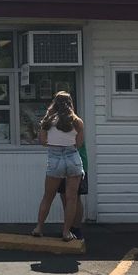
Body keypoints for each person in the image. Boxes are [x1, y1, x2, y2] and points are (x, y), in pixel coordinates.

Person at [32, 91, 85, 242]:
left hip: (54, 158)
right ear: (70, 103)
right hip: (72, 157)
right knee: (71, 198)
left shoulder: (48, 121)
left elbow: (42, 141)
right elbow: (79, 143)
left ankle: (39, 228)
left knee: (48, 196)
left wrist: (55, 144)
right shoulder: (77, 121)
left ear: (54, 103)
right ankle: (66, 232)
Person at [57, 143, 88, 239]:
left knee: (75, 196)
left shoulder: (77, 128)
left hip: (77, 163)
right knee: (63, 194)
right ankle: (69, 227)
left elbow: (78, 143)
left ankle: (76, 228)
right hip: (61, 163)